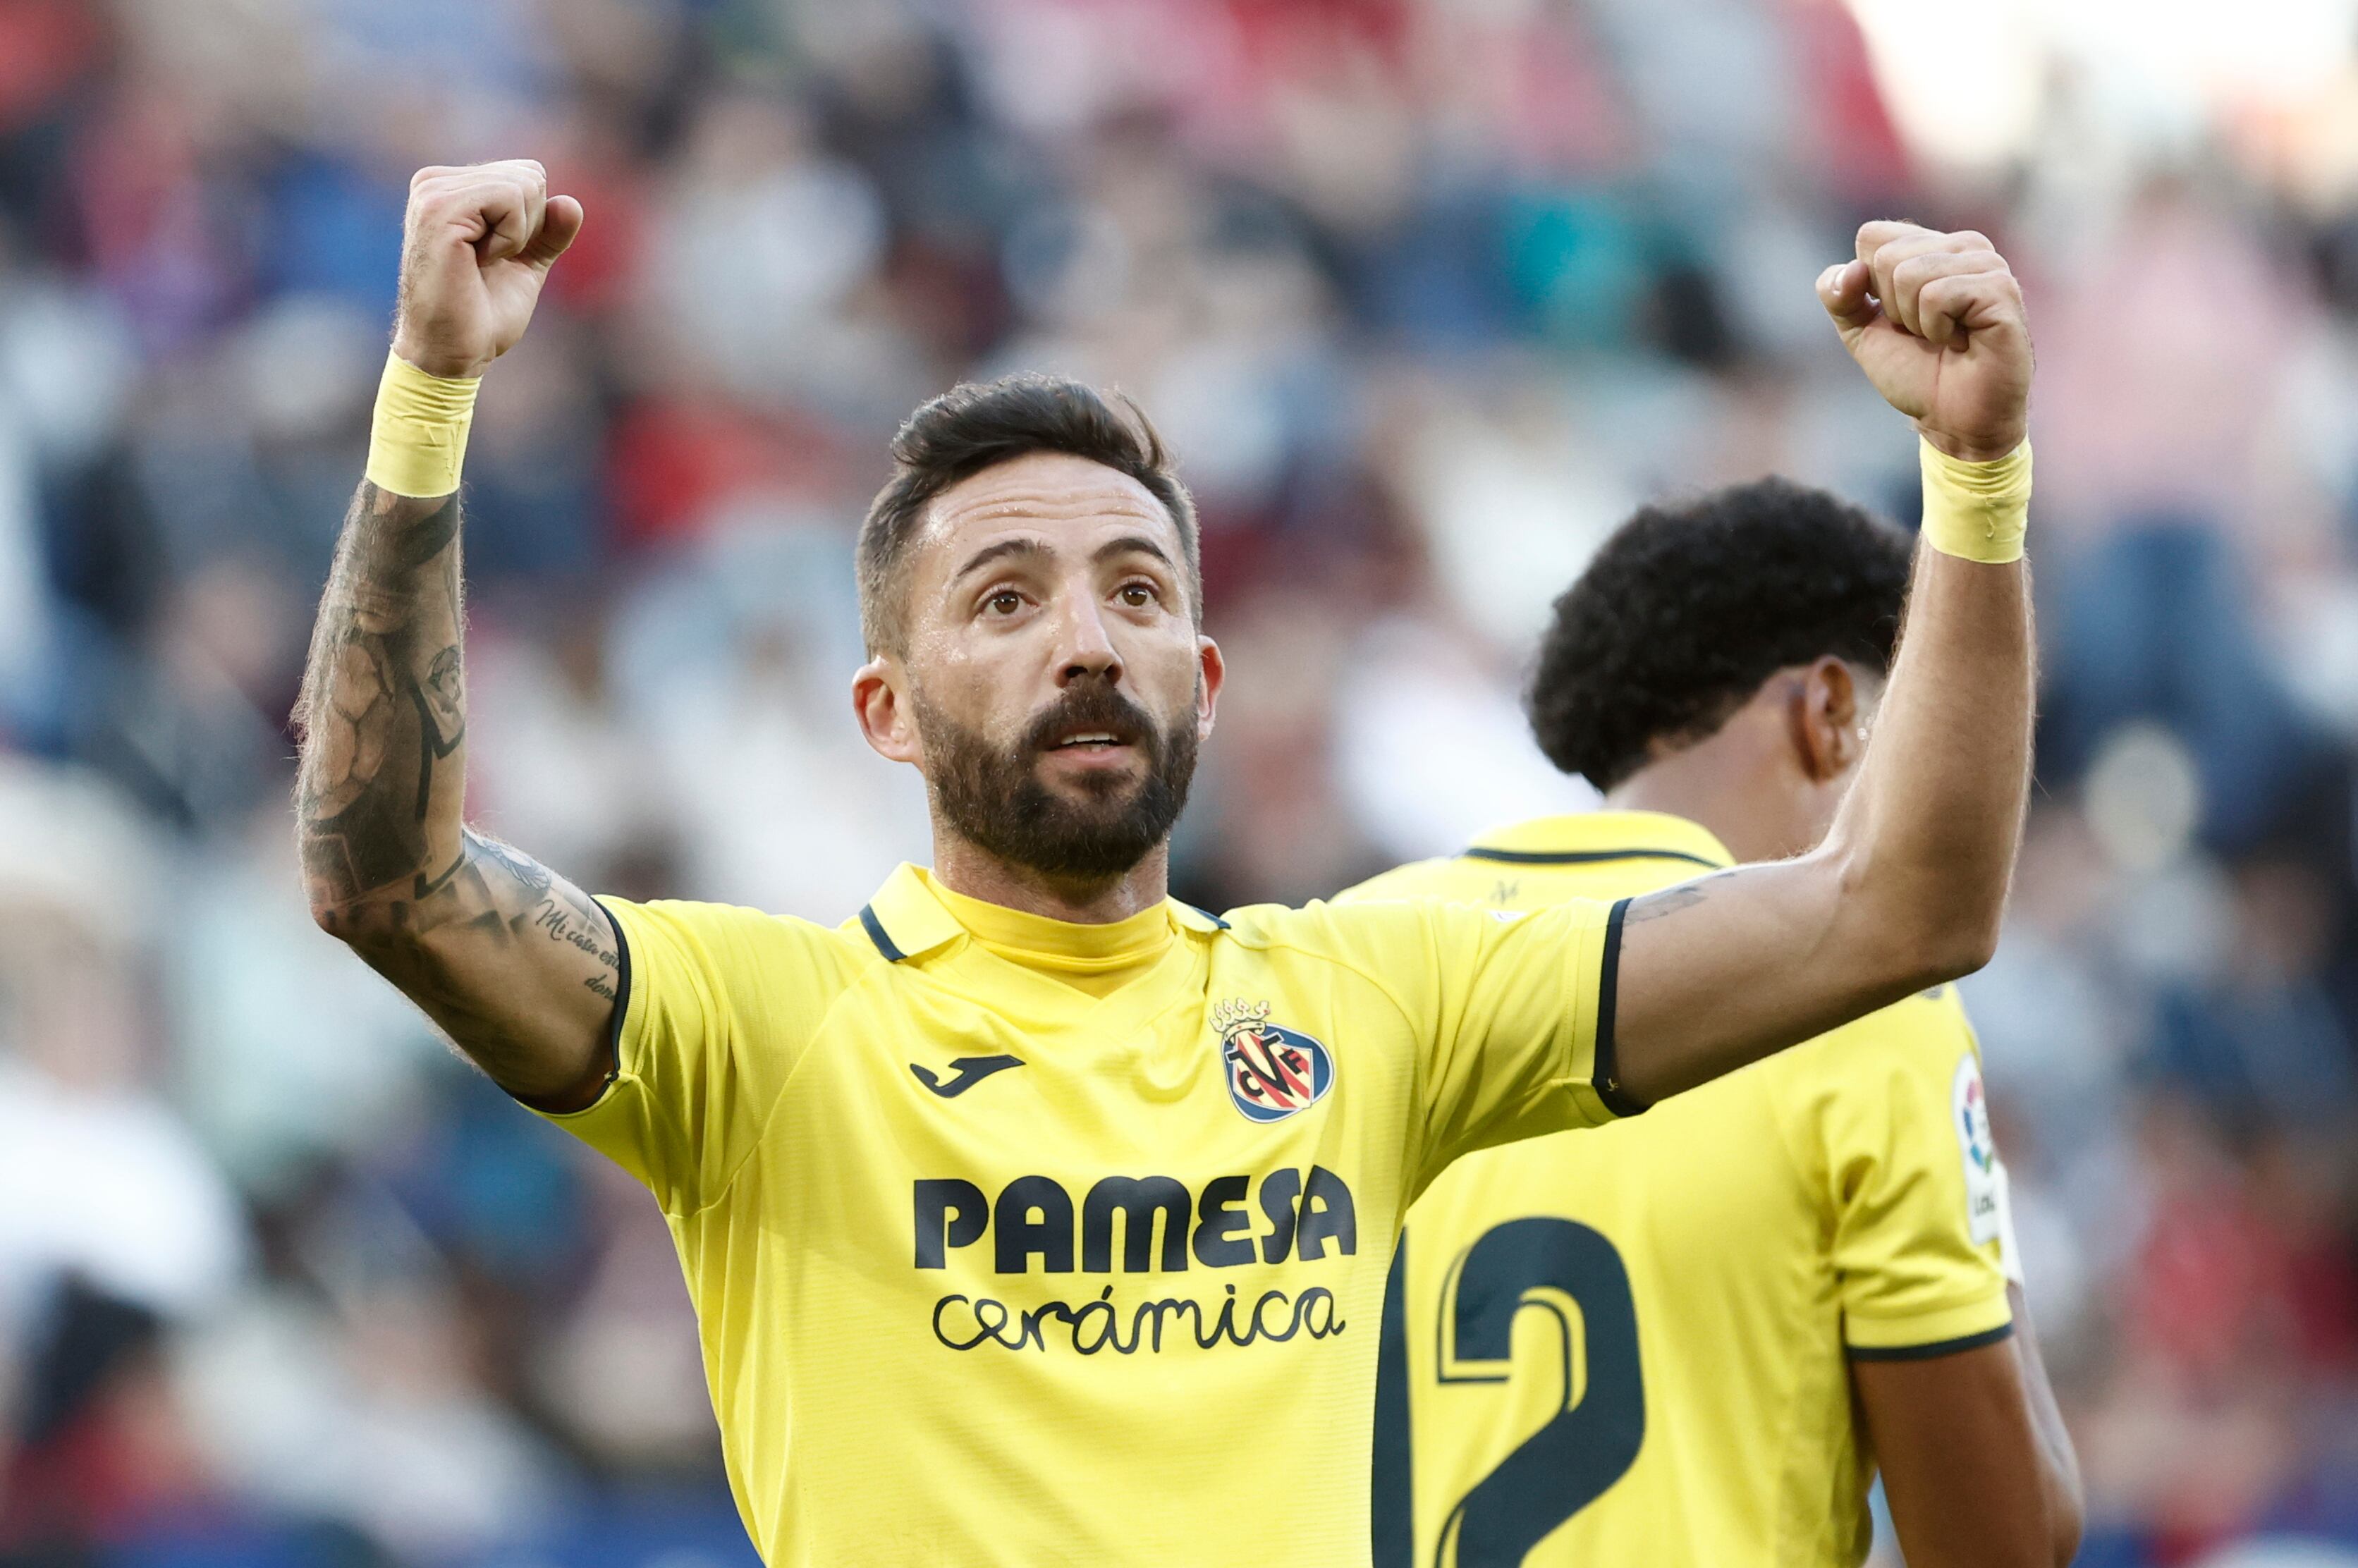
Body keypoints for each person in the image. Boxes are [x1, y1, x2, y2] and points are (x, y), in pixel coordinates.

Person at [293, 159, 2037, 1566]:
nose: (1087, 638)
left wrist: (1972, 474)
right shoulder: (768, 1028)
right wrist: (431, 398)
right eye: (1005, 596)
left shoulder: (1370, 1001)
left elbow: (1904, 906)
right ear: (885, 712)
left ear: (1203, 680)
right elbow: (389, 877)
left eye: (1137, 591)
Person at [1345, 480, 2083, 1568]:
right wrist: (1981, 1219)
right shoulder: (1857, 1010)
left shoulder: (1349, 950)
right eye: (1924, 736)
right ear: (1831, 713)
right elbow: (1999, 1540)